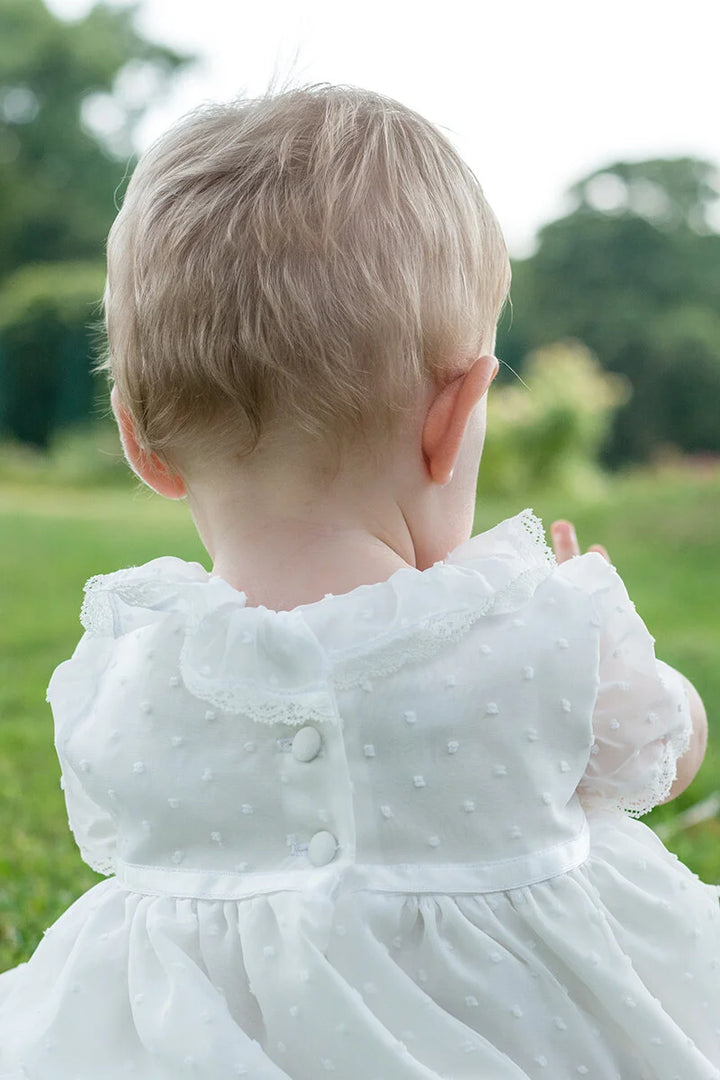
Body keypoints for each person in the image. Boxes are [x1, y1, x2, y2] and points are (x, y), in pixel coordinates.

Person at [0, 85, 718, 1080]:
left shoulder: (128, 670)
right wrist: (612, 639)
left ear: (139, 443)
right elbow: (668, 753)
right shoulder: (539, 629)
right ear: (454, 415)